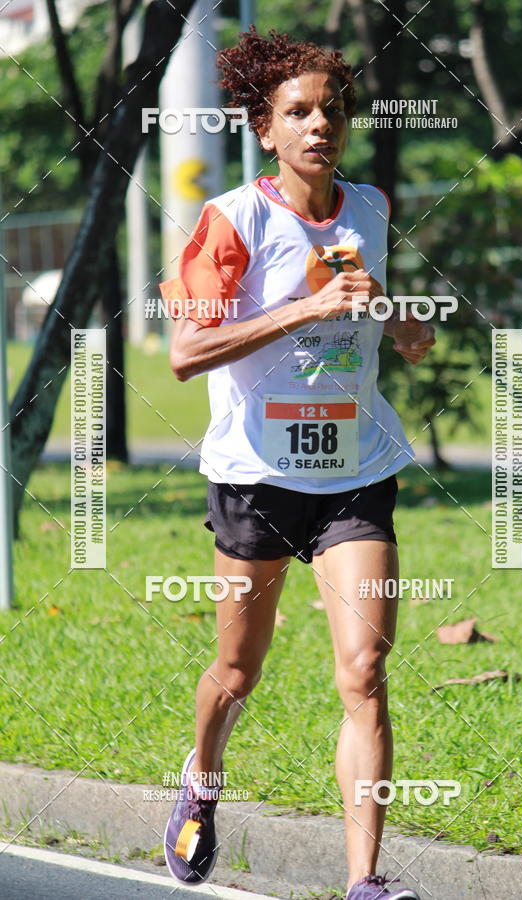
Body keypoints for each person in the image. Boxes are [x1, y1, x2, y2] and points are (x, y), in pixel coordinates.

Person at [159, 25, 435, 900]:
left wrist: (393, 316)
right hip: (255, 477)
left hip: (354, 473)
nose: (321, 124)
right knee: (238, 671)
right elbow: (186, 351)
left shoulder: (373, 208)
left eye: (333, 109)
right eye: (298, 112)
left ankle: (365, 881)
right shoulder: (232, 220)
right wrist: (304, 308)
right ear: (264, 128)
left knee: (364, 672)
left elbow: (407, 335)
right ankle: (203, 777)